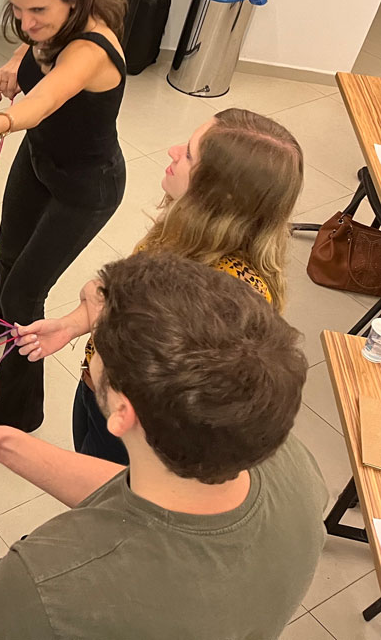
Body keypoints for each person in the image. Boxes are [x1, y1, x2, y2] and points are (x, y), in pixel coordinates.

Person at [0, 252, 326, 640]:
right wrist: (3, 444)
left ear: (122, 412)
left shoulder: (47, 586)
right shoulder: (291, 463)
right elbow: (157, 496)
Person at [16, 109, 303, 463]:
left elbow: (167, 384)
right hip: (100, 395)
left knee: (105, 502)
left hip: (136, 434)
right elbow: (123, 296)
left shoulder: (233, 298)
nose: (172, 150)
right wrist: (75, 323)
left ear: (218, 193)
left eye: (188, 154)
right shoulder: (187, 230)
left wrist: (109, 309)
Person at [0, 0, 127, 432]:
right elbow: (33, 53)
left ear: (74, 1)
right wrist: (12, 63)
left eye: (38, 14)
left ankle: (19, 412)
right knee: (8, 253)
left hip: (86, 187)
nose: (26, 24)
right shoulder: (46, 27)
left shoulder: (91, 48)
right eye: (18, 10)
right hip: (40, 160)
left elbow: (45, 99)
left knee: (26, 292)